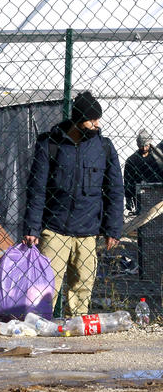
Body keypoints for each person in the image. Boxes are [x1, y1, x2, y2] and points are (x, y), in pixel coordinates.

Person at [23, 91, 124, 315]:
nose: (97, 124)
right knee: (45, 288)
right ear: (78, 120)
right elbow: (36, 189)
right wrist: (32, 227)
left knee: (82, 290)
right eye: (92, 120)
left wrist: (113, 228)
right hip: (54, 230)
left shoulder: (104, 148)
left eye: (98, 119)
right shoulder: (50, 144)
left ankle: (75, 327)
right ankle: (39, 326)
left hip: (87, 232)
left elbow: (115, 190)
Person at [123, 129, 163, 214]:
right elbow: (128, 181)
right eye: (141, 146)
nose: (144, 148)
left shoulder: (157, 157)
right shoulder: (132, 160)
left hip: (159, 192)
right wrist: (128, 198)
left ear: (150, 143)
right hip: (141, 195)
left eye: (146, 145)